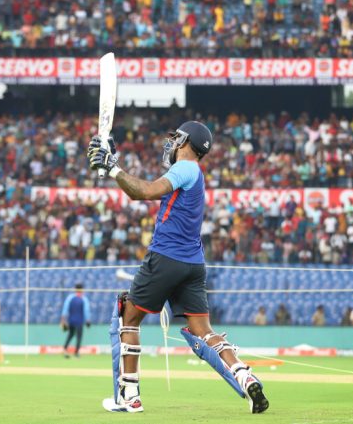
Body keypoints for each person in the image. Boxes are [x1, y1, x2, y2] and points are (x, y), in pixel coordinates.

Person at [88, 121, 268, 414]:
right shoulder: (193, 175)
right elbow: (142, 187)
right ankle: (244, 375)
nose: (170, 143)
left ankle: (129, 397)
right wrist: (114, 163)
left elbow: (143, 192)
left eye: (176, 139)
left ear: (185, 142)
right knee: (204, 331)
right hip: (194, 264)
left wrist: (112, 169)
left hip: (165, 257)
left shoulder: (186, 168)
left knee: (127, 317)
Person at [60, 283, 91, 358]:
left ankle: (65, 349)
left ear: (75, 289)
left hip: (71, 320)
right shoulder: (84, 299)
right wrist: (88, 320)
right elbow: (86, 310)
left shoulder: (70, 297)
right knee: (79, 336)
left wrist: (63, 319)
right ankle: (76, 352)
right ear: (82, 289)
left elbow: (65, 308)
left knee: (71, 334)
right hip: (79, 321)